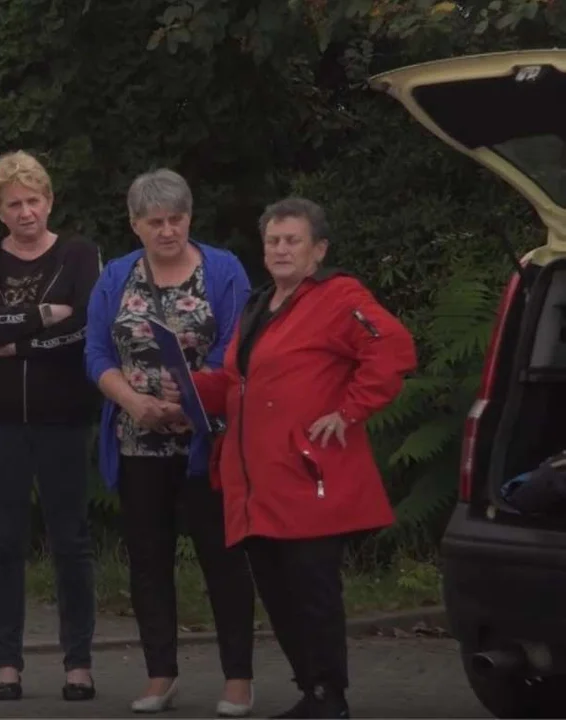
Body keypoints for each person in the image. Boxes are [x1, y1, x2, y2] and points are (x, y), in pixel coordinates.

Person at [191, 197, 417, 719]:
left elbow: (394, 347)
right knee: (278, 593)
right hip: (257, 481)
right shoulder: (260, 303)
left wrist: (349, 409)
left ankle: (329, 697)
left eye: (293, 240)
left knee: (312, 592)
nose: (281, 249)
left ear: (319, 249)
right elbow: (236, 381)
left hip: (307, 476)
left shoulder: (338, 297)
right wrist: (183, 392)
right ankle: (311, 690)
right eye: (273, 240)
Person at [84, 168, 257, 716]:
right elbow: (95, 354)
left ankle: (238, 678)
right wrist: (134, 404)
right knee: (149, 562)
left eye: (176, 219)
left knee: (223, 560)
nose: (167, 231)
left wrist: (193, 403)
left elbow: (238, 346)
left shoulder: (224, 269)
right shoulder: (115, 277)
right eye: (155, 221)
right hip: (138, 440)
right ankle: (160, 674)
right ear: (135, 225)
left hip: (206, 440)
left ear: (190, 217)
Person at [0, 150, 103, 702]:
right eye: (14, 203)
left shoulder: (79, 254)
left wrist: (15, 343)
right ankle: (7, 663)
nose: (25, 212)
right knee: (3, 542)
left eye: (33, 200)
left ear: (50, 201)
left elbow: (87, 325)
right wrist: (44, 315)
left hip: (64, 418)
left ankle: (79, 663)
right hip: (1, 422)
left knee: (71, 540)